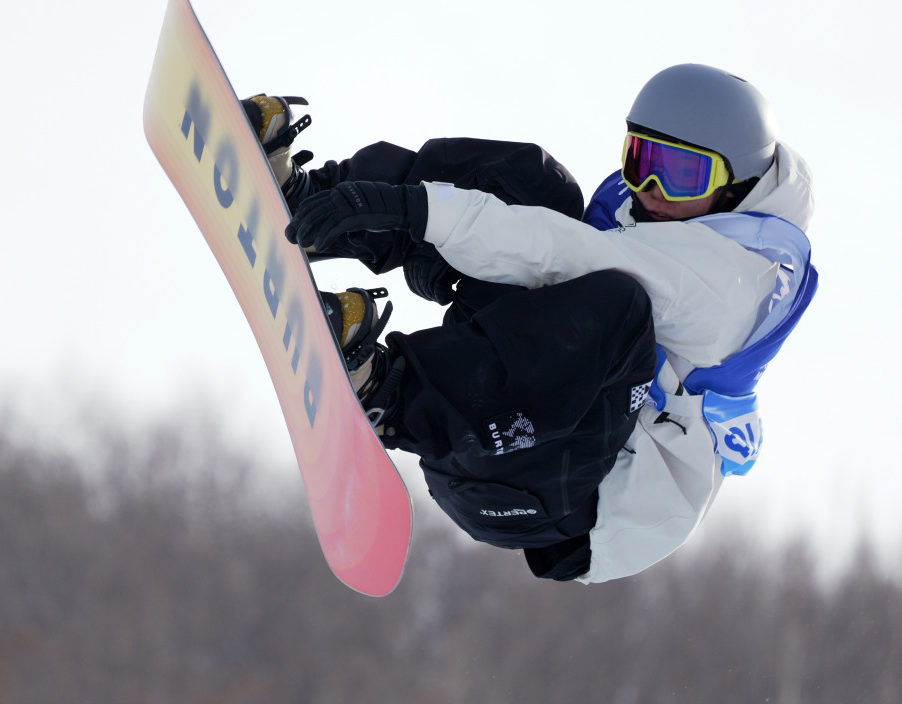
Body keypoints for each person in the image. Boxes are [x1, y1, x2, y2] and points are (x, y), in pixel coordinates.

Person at [241, 63, 817, 584]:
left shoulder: (735, 281)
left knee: (615, 305)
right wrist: (394, 204)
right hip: (520, 423)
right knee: (534, 185)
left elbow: (566, 253)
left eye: (682, 175)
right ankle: (315, 205)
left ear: (735, 188)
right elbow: (543, 237)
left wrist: (416, 206)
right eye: (641, 161)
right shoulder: (656, 209)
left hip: (569, 504)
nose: (652, 191)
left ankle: (388, 391)